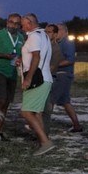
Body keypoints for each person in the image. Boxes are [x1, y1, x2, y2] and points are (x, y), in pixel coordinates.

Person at [19, 13, 54, 155]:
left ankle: (45, 142)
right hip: (46, 78)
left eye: (23, 24)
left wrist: (28, 78)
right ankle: (42, 140)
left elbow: (36, 57)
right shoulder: (44, 36)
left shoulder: (33, 36)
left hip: (37, 79)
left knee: (26, 112)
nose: (22, 27)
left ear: (30, 22)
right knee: (37, 112)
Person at [0, 13, 24, 135]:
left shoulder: (21, 38)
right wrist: (4, 56)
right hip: (0, 70)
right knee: (1, 100)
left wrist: (20, 60)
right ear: (7, 22)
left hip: (12, 73)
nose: (14, 25)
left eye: (17, 23)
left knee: (7, 102)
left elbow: (22, 55)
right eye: (11, 22)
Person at [52, 23, 83, 133]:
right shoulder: (56, 43)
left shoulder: (67, 43)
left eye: (58, 30)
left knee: (50, 100)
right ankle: (77, 125)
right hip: (59, 74)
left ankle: (39, 124)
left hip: (63, 74)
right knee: (65, 101)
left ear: (65, 32)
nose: (56, 32)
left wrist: (53, 65)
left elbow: (70, 60)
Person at [42, 23, 65, 136]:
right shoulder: (44, 45)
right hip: (43, 78)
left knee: (46, 109)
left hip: (49, 79)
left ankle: (44, 133)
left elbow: (51, 68)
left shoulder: (55, 49)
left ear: (55, 34)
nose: (46, 34)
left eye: (49, 32)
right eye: (45, 32)